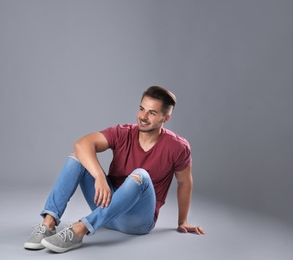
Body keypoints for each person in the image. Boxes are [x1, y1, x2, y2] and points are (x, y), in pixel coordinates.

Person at [24, 86, 205, 253]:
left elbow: (184, 182)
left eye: (152, 113)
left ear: (165, 118)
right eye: (141, 109)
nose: (143, 116)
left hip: (137, 221)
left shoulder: (178, 147)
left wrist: (182, 221)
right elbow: (82, 144)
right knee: (77, 157)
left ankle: (80, 229)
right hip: (106, 207)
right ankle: (48, 223)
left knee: (141, 174)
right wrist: (100, 177)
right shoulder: (123, 132)